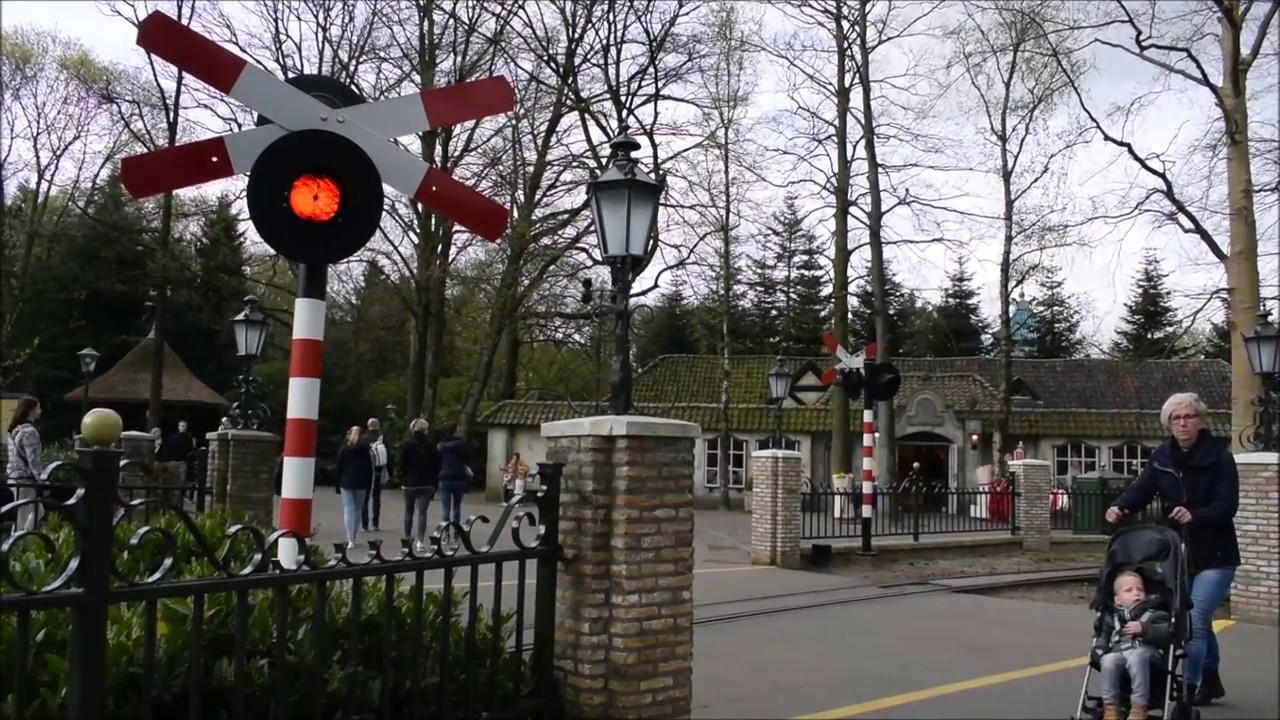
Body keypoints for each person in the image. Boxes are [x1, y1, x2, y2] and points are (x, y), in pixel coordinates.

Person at [1105, 392, 1238, 706]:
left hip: (1215, 553)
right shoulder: (1162, 456)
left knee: (1195, 621)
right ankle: (1210, 675)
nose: (1183, 423)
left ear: (1201, 421)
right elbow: (1143, 488)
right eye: (1176, 418)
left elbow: (1227, 504)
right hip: (1176, 552)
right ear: (1169, 424)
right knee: (1192, 619)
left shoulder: (1220, 457)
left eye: (1189, 417)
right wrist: (1120, 506)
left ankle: (1185, 690)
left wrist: (1196, 515)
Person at [1093, 570, 1172, 720]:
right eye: (1129, 590)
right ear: (1117, 600)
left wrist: (1145, 629)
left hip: (1147, 654)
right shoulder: (1112, 617)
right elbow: (1104, 636)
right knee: (1108, 660)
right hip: (1120, 653)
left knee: (1136, 655)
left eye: (1140, 589)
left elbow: (1165, 634)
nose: (1136, 593)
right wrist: (1099, 648)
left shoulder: (1155, 613)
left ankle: (1138, 707)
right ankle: (1110, 707)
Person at [399, 418, 439, 551]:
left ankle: (407, 538)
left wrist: (403, 478)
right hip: (426, 483)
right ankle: (420, 542)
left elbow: (402, 465)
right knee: (422, 513)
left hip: (410, 483)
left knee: (408, 512)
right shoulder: (431, 445)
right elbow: (436, 465)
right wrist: (434, 482)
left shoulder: (407, 444)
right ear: (426, 429)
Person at [5, 396, 45, 533]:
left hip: (14, 477)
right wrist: (42, 479)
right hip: (25, 479)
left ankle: (17, 540)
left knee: (24, 512)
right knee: (35, 512)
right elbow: (33, 460)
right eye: (38, 407)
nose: (40, 411)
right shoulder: (29, 432)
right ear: (31, 410)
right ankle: (22, 538)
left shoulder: (14, 431)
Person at [334, 425, 374, 549]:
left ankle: (349, 538)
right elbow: (369, 468)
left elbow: (339, 467)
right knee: (357, 509)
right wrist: (369, 484)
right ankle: (354, 537)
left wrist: (337, 483)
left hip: (346, 481)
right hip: (361, 482)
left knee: (348, 509)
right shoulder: (364, 450)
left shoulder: (344, 449)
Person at [436, 421, 470, 533]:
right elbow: (467, 458)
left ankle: (445, 533)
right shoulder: (462, 444)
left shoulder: (441, 446)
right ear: (455, 431)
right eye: (458, 429)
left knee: (445, 507)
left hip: (444, 476)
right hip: (458, 477)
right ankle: (456, 531)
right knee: (456, 507)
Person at [361, 417, 388, 532]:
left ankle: (365, 523)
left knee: (365, 498)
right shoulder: (382, 439)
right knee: (376, 497)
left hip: (366, 471)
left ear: (368, 426)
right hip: (379, 470)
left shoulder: (363, 439)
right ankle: (375, 522)